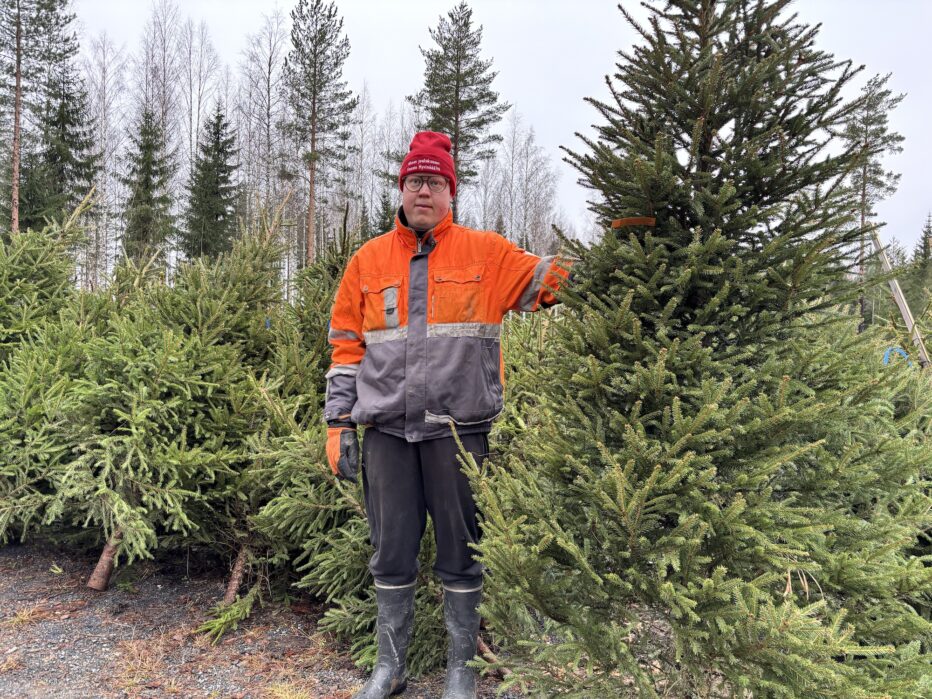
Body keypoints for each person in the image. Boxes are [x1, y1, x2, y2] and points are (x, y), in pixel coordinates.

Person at [324, 131, 570, 699]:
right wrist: (339, 424)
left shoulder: (487, 254)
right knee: (391, 552)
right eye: (415, 180)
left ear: (450, 192)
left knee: (462, 552)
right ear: (401, 189)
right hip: (386, 432)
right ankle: (390, 668)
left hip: (458, 433)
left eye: (435, 182)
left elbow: (548, 280)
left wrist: (621, 257)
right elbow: (345, 349)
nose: (424, 191)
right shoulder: (367, 261)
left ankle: (462, 669)